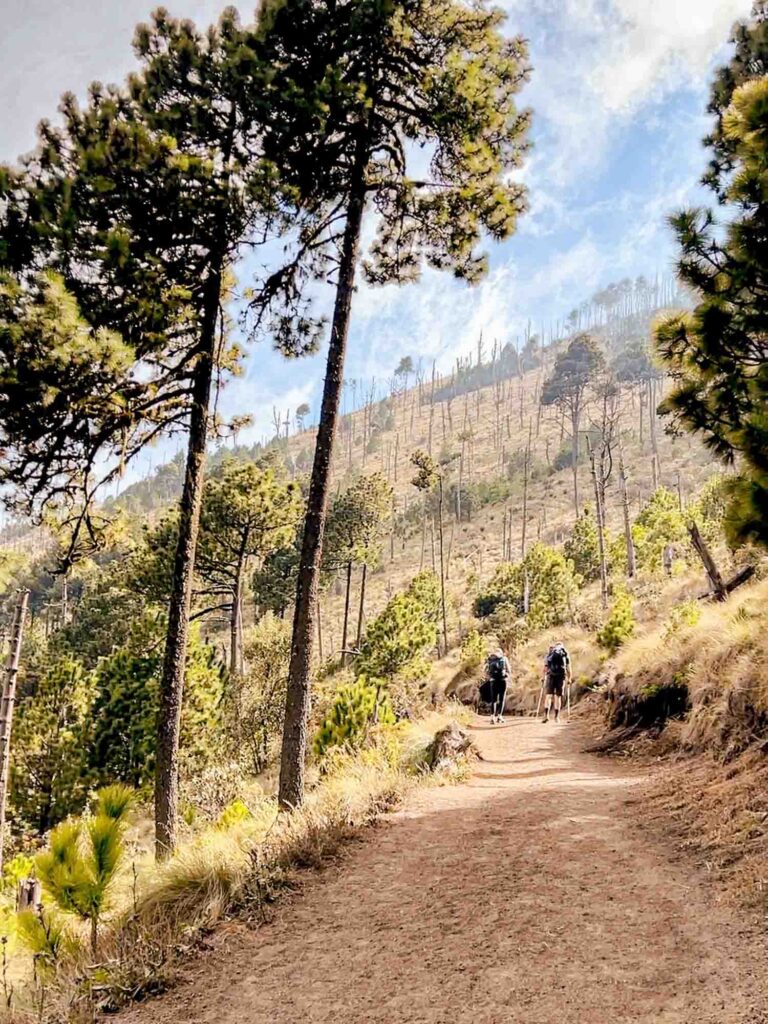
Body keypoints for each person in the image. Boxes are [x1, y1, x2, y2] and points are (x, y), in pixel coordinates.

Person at [541, 642, 571, 723]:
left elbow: (545, 667)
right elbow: (568, 667)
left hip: (551, 675)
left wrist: (543, 677)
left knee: (549, 696)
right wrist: (569, 678)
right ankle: (556, 717)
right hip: (561, 676)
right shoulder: (565, 654)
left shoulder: (550, 654)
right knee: (558, 697)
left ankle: (546, 715)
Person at [483, 647, 511, 724]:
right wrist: (506, 676)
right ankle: (499, 717)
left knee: (493, 700)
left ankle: (492, 718)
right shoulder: (504, 658)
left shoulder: (490, 659)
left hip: (493, 681)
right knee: (501, 699)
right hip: (503, 681)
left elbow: (485, 671)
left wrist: (490, 677)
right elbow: (509, 670)